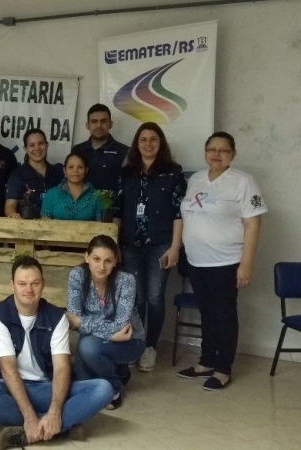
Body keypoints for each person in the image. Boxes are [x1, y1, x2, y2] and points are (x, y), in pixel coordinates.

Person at [0, 257, 113, 450]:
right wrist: (29, 416)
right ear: (12, 285)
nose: (29, 289)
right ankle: (58, 427)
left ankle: (30, 431)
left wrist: (54, 411)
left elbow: (62, 367)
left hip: (46, 388)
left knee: (103, 389)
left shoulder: (57, 317)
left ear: (43, 284)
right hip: (9, 388)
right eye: (22, 284)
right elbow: (7, 368)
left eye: (35, 283)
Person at [177, 131, 267, 390]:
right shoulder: (196, 179)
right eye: (211, 149)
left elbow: (253, 224)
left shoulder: (243, 181)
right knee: (206, 313)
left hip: (226, 262)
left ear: (233, 155)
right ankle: (206, 362)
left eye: (223, 150)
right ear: (205, 152)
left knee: (224, 315)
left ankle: (223, 369)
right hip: (197, 261)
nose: (216, 154)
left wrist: (246, 264)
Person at [114, 122, 187, 372]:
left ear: (160, 143)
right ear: (136, 144)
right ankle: (135, 343)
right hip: (130, 245)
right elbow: (117, 212)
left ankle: (150, 347)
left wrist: (175, 246)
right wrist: (115, 245)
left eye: (153, 139)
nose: (148, 144)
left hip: (160, 245)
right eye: (143, 139)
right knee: (136, 298)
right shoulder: (126, 173)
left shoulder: (173, 172)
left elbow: (179, 213)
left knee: (155, 298)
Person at [66, 235, 146, 410]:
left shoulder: (126, 280)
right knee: (81, 383)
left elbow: (120, 326)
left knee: (87, 347)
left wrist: (82, 322)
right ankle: (120, 371)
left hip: (130, 341)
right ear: (86, 257)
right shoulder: (77, 275)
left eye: (108, 261)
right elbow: (72, 320)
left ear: (116, 261)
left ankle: (114, 386)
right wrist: (110, 334)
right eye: (96, 259)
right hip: (100, 338)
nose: (101, 267)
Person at [4, 129, 64, 219]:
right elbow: (10, 205)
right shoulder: (17, 175)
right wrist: (13, 215)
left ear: (47, 145)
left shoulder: (58, 172)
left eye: (41, 143)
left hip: (56, 225)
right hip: (26, 226)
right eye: (32, 145)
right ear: (25, 149)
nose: (37, 148)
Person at [70, 104, 129, 192]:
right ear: (87, 125)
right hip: (80, 201)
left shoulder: (124, 152)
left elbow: (128, 187)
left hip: (112, 201)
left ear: (110, 124)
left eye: (103, 121)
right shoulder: (77, 150)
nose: (99, 125)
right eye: (94, 121)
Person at [40, 153, 103, 221]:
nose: (75, 171)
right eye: (71, 167)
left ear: (86, 170)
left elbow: (102, 225)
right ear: (64, 170)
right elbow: (44, 224)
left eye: (80, 167)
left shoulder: (98, 196)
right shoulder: (51, 194)